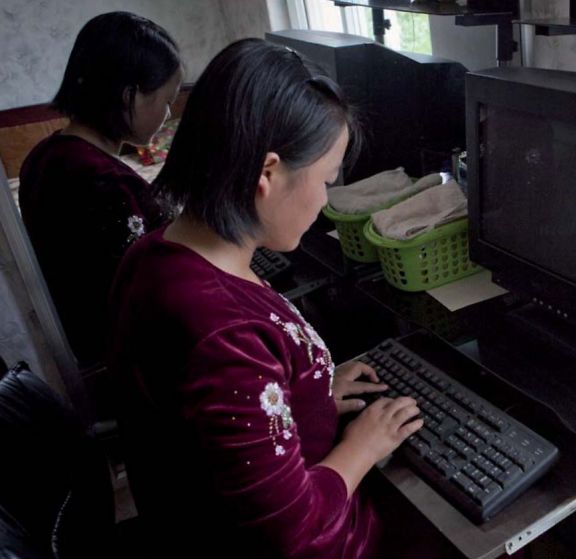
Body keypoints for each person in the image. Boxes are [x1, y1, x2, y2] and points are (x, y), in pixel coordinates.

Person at [108, 39, 424, 558]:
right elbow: (293, 534)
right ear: (268, 172)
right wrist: (362, 446)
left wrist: (306, 395)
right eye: (325, 180)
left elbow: (215, 428)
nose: (325, 200)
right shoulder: (222, 329)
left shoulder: (157, 254)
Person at [19, 12, 182, 369]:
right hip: (123, 362)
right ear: (131, 96)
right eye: (166, 100)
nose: (169, 114)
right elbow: (155, 295)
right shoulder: (104, 184)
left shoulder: (44, 156)